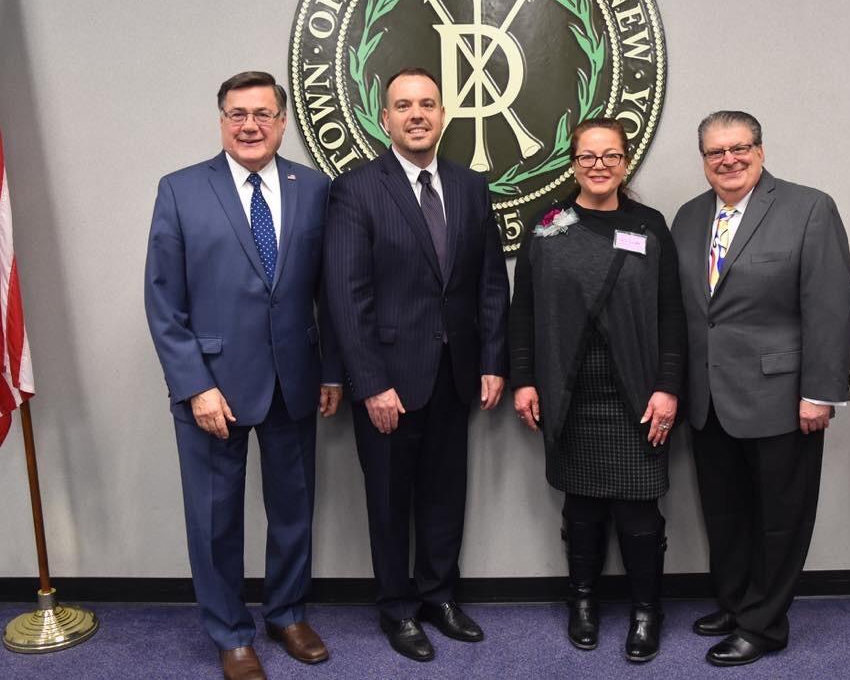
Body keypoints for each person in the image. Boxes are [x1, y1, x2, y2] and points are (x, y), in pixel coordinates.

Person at [144, 71, 342, 680]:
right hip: (213, 387)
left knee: (293, 508)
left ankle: (287, 613)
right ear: (221, 120)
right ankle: (231, 632)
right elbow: (162, 300)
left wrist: (331, 370)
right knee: (215, 516)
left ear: (282, 122)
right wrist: (196, 385)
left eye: (262, 114)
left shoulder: (314, 189)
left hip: (294, 378)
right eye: (237, 114)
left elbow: (327, 292)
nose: (249, 125)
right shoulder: (180, 190)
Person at [323, 68, 510, 662]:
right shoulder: (356, 189)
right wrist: (371, 383)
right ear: (385, 119)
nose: (417, 114)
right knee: (388, 499)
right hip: (389, 382)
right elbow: (346, 295)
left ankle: (438, 595)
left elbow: (487, 282)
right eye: (403, 105)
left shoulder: (471, 186)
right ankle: (397, 608)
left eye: (428, 103)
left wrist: (491, 359)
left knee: (444, 494)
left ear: (444, 114)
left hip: (455, 374)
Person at [671, 111, 850, 667]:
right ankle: (735, 602)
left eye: (739, 147)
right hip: (708, 399)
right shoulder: (688, 217)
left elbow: (829, 308)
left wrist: (820, 393)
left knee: (779, 517)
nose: (728, 159)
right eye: (714, 152)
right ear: (703, 161)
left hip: (783, 398)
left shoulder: (808, 208)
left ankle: (765, 625)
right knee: (724, 514)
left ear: (761, 150)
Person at [510, 117, 687, 662]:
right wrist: (523, 379)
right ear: (573, 163)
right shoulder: (547, 225)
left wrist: (668, 386)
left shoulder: (651, 226)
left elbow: (671, 316)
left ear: (626, 162)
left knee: (639, 511)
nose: (599, 166)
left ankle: (645, 610)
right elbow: (525, 313)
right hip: (569, 393)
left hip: (637, 393)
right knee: (581, 505)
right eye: (587, 157)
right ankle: (581, 601)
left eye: (610, 156)